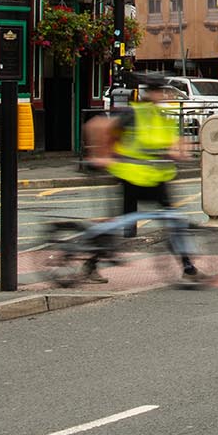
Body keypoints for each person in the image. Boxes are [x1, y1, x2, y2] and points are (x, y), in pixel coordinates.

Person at [84, 73, 200, 284]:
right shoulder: (133, 113)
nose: (161, 95)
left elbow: (174, 142)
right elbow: (102, 128)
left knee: (174, 220)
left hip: (156, 178)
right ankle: (91, 263)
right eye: (158, 91)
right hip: (131, 176)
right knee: (118, 222)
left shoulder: (163, 116)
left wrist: (181, 153)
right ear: (150, 92)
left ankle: (187, 265)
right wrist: (103, 155)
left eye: (162, 91)